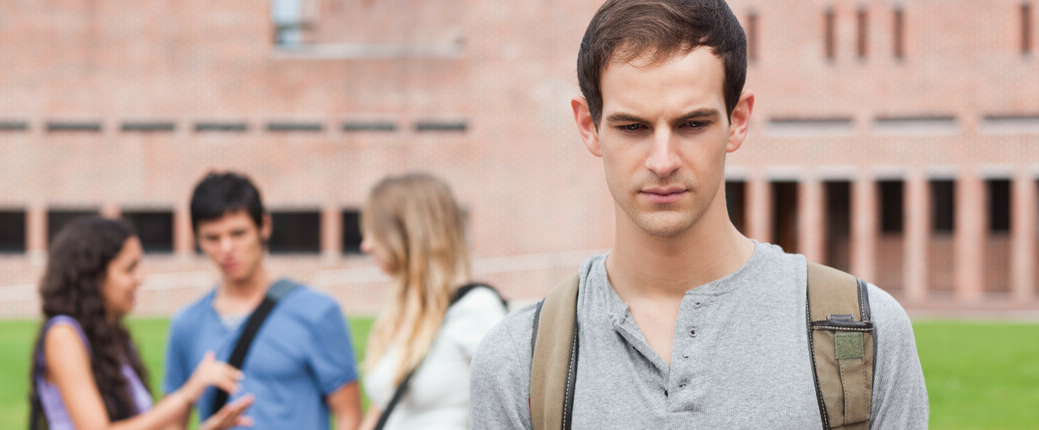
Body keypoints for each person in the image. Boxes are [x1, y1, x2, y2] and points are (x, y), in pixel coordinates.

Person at [469, 0, 929, 428]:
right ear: (589, 127)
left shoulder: (865, 334)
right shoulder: (518, 362)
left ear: (739, 121)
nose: (663, 160)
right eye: (633, 127)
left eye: (692, 124)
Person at [163, 171, 362, 430]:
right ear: (196, 239)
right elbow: (170, 424)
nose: (226, 248)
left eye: (238, 233)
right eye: (212, 238)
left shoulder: (318, 312)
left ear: (264, 226)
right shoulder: (186, 323)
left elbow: (350, 417)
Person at [30, 217, 252, 430]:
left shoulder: (115, 338)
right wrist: (187, 394)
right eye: (129, 268)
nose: (141, 278)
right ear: (94, 277)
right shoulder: (63, 334)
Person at [358, 173, 507, 430]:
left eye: (376, 233)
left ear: (410, 235)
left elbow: (512, 413)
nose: (366, 245)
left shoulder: (475, 308)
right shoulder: (400, 312)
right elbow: (383, 409)